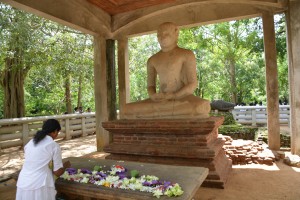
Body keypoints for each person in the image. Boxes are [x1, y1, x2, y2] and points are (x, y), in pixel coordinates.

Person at [122, 22, 211, 119]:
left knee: (200, 106)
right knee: (126, 108)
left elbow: (192, 84)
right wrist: (153, 96)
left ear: (176, 33)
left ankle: (160, 112)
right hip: (160, 101)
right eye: (159, 35)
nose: (162, 37)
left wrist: (174, 95)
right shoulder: (152, 60)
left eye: (166, 34)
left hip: (182, 98)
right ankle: (165, 112)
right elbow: (150, 86)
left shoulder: (186, 54)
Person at [16, 119, 71, 200]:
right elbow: (57, 172)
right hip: (39, 184)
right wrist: (65, 166)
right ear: (55, 131)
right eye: (58, 133)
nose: (57, 135)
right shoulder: (53, 145)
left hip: (23, 181)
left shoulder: (31, 142)